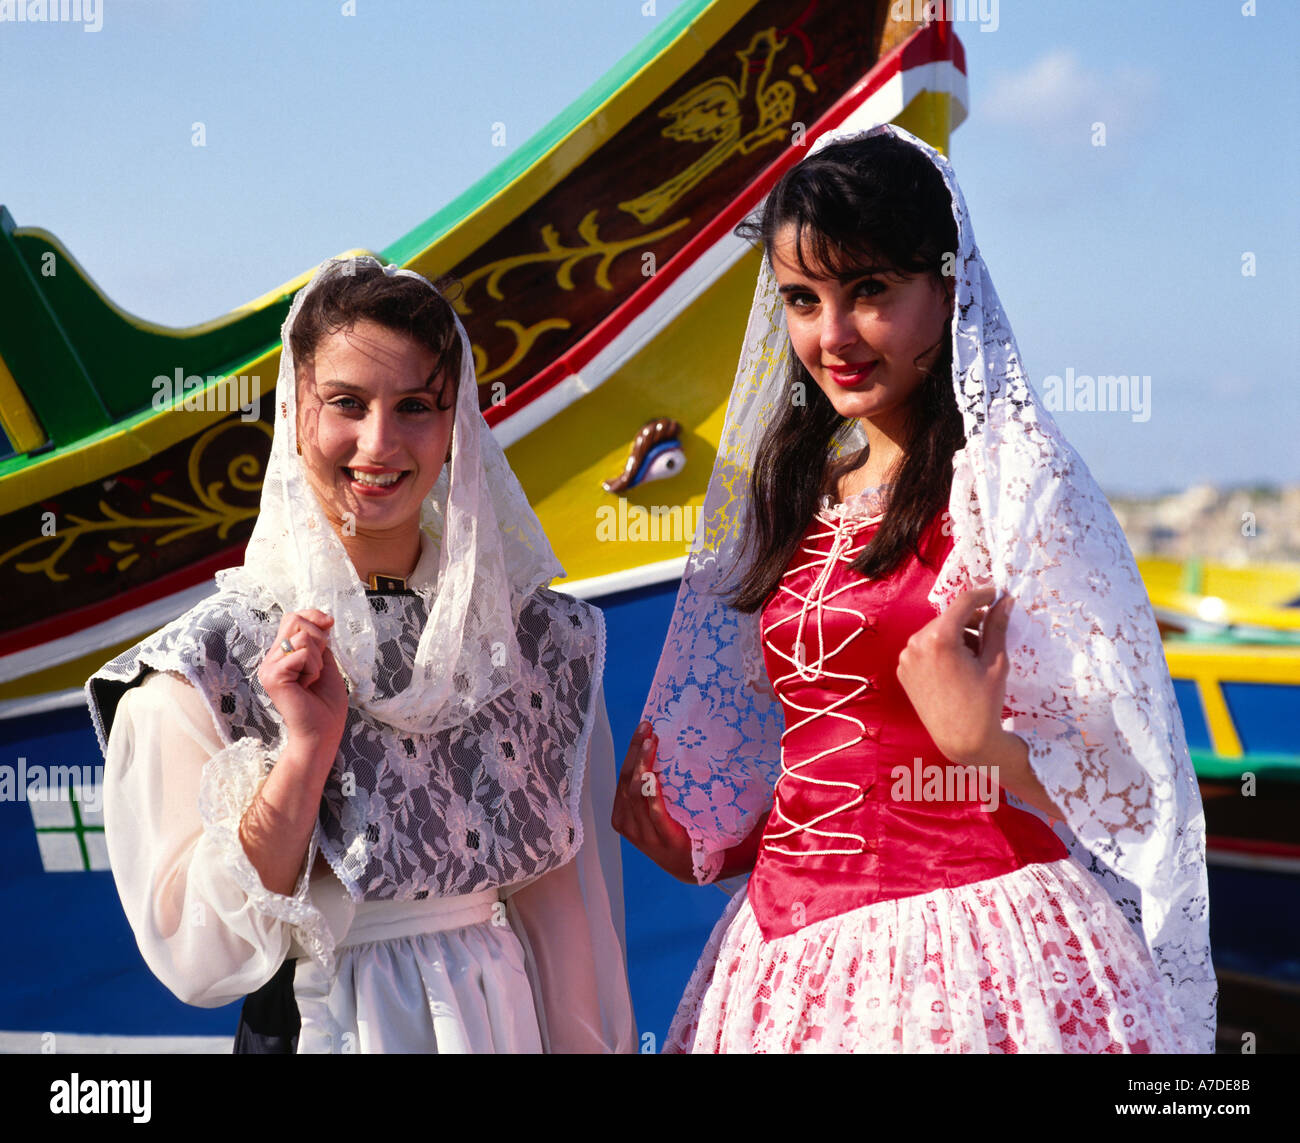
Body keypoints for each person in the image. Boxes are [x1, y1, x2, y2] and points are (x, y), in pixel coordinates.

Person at [614, 123, 1214, 1053]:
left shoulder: (1012, 484)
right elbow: (813, 750)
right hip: (779, 962)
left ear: (947, 287)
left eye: (870, 292)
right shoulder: (797, 498)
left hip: (971, 951)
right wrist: (703, 830)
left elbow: (1136, 785)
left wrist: (980, 746)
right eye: (803, 299)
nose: (832, 335)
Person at [86, 257, 634, 1053]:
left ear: (456, 427)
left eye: (415, 405)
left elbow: (561, 919)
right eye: (347, 402)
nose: (379, 443)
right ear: (296, 411)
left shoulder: (532, 642)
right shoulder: (206, 663)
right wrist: (304, 752)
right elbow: (202, 958)